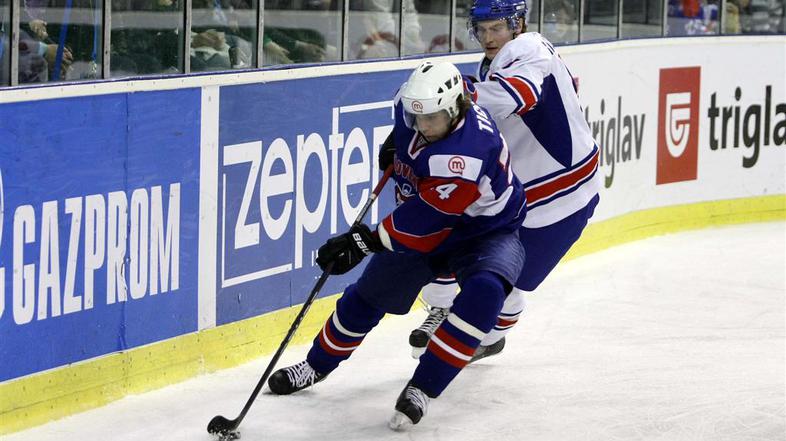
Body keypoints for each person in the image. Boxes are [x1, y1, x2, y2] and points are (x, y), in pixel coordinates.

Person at [267, 60, 527, 430]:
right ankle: (315, 365)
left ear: (455, 111)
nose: (422, 126)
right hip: (431, 220)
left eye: (432, 119)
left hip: (488, 232)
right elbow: (432, 107)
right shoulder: (416, 106)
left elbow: (427, 220)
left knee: (484, 294)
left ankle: (424, 386)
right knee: (369, 295)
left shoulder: (467, 154)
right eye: (415, 117)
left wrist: (361, 241)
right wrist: (399, 145)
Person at [405, 0, 601, 362]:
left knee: (502, 285)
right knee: (445, 227)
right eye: (482, 29)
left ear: (518, 24)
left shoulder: (529, 47)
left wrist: (452, 95)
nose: (488, 37)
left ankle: (486, 335)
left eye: (497, 28)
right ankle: (445, 308)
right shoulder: (495, 61)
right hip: (531, 189)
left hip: (562, 197)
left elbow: (518, 96)